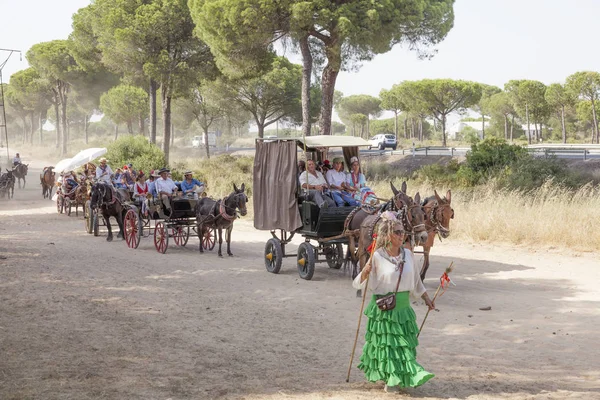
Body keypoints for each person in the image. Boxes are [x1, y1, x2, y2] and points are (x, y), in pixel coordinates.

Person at [352, 212, 435, 393]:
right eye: (397, 232)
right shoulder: (377, 256)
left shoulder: (408, 255)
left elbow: (416, 281)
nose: (402, 235)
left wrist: (427, 298)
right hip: (383, 308)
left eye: (403, 231)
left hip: (403, 309)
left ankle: (401, 377)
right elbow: (358, 283)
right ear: (388, 234)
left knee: (403, 346)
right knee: (388, 347)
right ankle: (391, 380)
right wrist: (365, 272)